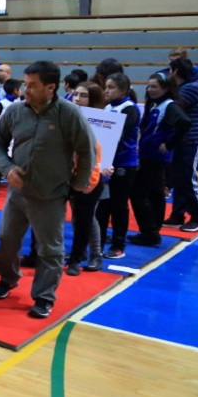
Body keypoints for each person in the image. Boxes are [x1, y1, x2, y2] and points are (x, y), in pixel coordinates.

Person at [0, 61, 94, 319]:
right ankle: (9, 278)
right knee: (6, 241)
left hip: (50, 195)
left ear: (51, 87)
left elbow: (86, 149)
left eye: (33, 86)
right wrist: (7, 169)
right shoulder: (15, 111)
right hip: (17, 194)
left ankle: (44, 297)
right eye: (25, 84)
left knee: (50, 250)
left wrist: (79, 183)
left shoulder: (68, 113)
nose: (26, 90)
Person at [130, 72, 190, 247]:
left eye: (154, 86)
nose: (150, 90)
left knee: (138, 193)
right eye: (149, 86)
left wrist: (170, 144)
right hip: (150, 154)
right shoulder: (157, 104)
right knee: (155, 192)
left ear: (165, 88)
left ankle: (149, 231)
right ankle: (153, 230)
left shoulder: (169, 106)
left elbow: (185, 123)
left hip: (154, 157)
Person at [95, 73, 140, 258]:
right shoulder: (106, 107)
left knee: (119, 205)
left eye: (111, 87)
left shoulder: (130, 109)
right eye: (106, 86)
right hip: (106, 162)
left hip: (123, 163)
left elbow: (119, 135)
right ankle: (98, 240)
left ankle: (118, 244)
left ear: (124, 90)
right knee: (103, 204)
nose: (106, 90)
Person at [65, 82, 106, 276]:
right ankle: (79, 252)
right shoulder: (70, 116)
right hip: (70, 174)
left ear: (93, 99)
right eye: (76, 95)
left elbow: (110, 147)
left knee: (88, 217)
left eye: (83, 96)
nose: (77, 99)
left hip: (94, 175)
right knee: (76, 216)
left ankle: (95, 254)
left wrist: (107, 166)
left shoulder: (103, 120)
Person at [165, 58, 198, 232]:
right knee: (178, 178)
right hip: (182, 139)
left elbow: (173, 107)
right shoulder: (188, 86)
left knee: (189, 178)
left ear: (174, 71)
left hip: (193, 139)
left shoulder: (192, 88)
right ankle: (178, 214)